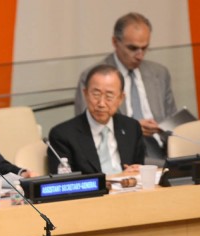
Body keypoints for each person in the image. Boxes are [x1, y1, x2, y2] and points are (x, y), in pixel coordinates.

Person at [74, 12, 176, 164]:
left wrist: (164, 128)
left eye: (144, 48)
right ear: (115, 42)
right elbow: (86, 125)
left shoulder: (160, 73)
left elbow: (172, 120)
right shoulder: (93, 76)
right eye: (133, 48)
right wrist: (131, 129)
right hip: (120, 152)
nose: (140, 55)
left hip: (162, 149)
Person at [49, 64, 144, 175]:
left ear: (121, 98)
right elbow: (65, 182)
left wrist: (137, 171)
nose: (101, 103)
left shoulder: (132, 127)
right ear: (85, 94)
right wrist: (113, 179)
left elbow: (138, 168)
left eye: (109, 96)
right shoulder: (63, 135)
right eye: (96, 94)